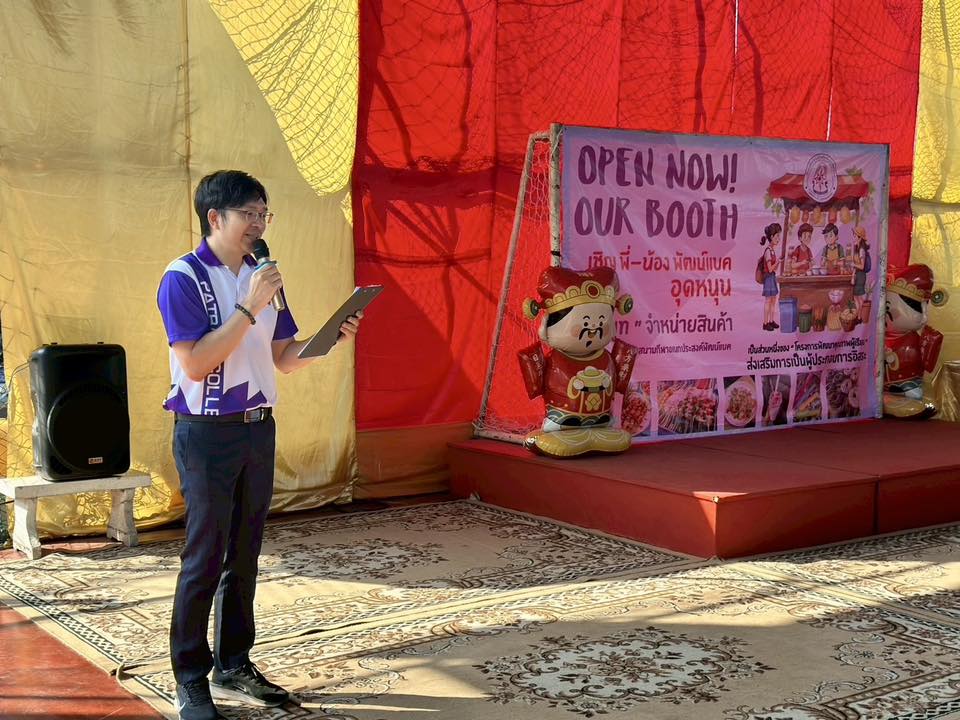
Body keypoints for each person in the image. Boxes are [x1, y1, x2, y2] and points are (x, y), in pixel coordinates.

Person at [156, 170, 362, 720]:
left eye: (263, 214)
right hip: (205, 432)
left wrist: (330, 340)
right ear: (215, 217)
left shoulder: (264, 277)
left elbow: (283, 358)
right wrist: (248, 307)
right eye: (248, 214)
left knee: (244, 552)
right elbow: (196, 364)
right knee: (204, 555)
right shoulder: (183, 277)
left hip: (257, 427)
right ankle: (190, 678)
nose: (259, 224)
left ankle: (234, 663)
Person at [760, 223, 781, 331]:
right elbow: (769, 269)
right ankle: (765, 322)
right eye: (777, 236)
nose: (778, 239)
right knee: (768, 300)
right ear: (772, 237)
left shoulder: (772, 250)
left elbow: (774, 269)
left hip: (772, 277)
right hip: (768, 278)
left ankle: (771, 320)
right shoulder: (768, 251)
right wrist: (777, 262)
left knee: (773, 300)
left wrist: (778, 262)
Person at [850, 225, 870, 318]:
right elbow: (855, 263)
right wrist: (853, 275)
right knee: (857, 297)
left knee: (858, 297)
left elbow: (862, 266)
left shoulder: (862, 250)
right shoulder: (857, 248)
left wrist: (853, 265)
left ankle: (858, 316)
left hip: (861, 276)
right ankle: (859, 316)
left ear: (860, 237)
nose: (854, 237)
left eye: (855, 235)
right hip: (857, 275)